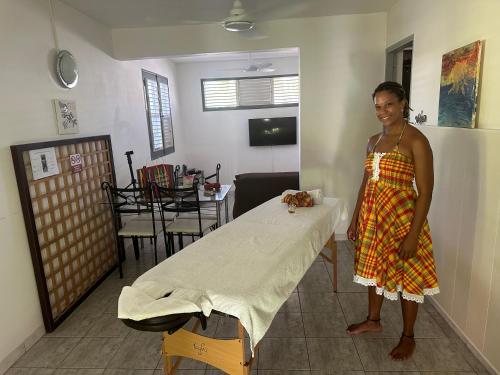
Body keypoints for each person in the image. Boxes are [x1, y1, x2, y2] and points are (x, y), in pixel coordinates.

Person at [347, 81, 439, 360]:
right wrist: (354, 219)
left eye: (388, 104)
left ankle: (408, 336)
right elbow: (366, 182)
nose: (383, 111)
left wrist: (413, 236)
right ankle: (373, 320)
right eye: (377, 106)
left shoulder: (416, 140)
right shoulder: (373, 140)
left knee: (407, 278)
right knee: (375, 269)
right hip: (373, 219)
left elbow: (426, 191)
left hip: (402, 221)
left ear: (402, 104)